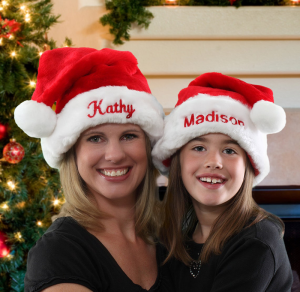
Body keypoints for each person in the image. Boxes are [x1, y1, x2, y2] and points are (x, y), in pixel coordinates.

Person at [14, 47, 174, 292]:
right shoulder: (59, 252)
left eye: (129, 135)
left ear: (148, 146)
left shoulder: (169, 236)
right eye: (95, 138)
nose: (115, 155)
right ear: (73, 152)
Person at [152, 72, 293, 292]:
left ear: (248, 166)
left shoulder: (256, 241)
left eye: (229, 150)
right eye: (199, 148)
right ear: (177, 162)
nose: (214, 162)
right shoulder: (180, 234)